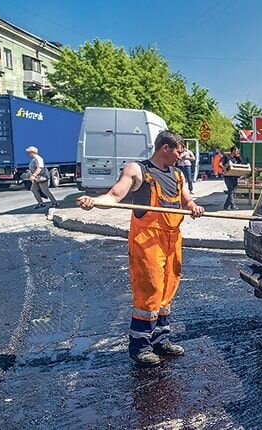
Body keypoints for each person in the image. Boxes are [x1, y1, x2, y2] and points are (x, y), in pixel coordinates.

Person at [75, 131, 204, 366]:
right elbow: (115, 195)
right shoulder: (137, 170)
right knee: (150, 289)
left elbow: (187, 200)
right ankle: (140, 346)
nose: (180, 155)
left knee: (167, 289)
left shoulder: (177, 175)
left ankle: (160, 339)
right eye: (178, 150)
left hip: (172, 239)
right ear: (165, 147)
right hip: (147, 239)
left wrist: (194, 206)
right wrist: (94, 201)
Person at [219, 146, 242, 210]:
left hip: (234, 176)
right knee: (231, 190)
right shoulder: (226, 157)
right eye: (236, 151)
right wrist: (225, 169)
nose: (237, 152)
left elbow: (241, 163)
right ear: (233, 151)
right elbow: (220, 164)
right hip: (228, 176)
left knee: (232, 191)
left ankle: (226, 206)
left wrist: (238, 156)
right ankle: (232, 205)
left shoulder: (236, 158)